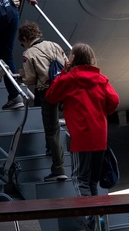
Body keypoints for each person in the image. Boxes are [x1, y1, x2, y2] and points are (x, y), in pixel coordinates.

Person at [45, 43, 119, 196]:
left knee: (80, 179)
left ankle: (89, 218)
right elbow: (114, 100)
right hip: (100, 136)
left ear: (73, 58)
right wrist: (102, 112)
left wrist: (64, 72)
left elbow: (51, 97)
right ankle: (97, 216)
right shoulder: (101, 79)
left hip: (80, 137)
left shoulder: (69, 79)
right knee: (92, 181)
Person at [18, 22, 68, 182]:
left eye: (22, 42)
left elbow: (31, 79)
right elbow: (67, 65)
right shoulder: (54, 45)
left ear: (25, 38)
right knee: (57, 126)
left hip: (47, 92)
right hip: (64, 87)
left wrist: (21, 76)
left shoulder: (29, 53)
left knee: (52, 129)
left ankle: (58, 168)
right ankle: (50, 150)